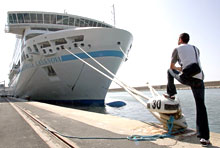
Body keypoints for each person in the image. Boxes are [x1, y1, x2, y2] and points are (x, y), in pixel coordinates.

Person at [164, 33, 211, 146]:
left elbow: (172, 67)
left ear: (180, 39)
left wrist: (178, 69)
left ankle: (171, 93)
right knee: (201, 107)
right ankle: (204, 138)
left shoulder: (177, 49)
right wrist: (183, 69)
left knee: (169, 71)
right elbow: (193, 64)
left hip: (187, 77)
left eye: (178, 39)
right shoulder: (196, 49)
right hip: (199, 78)